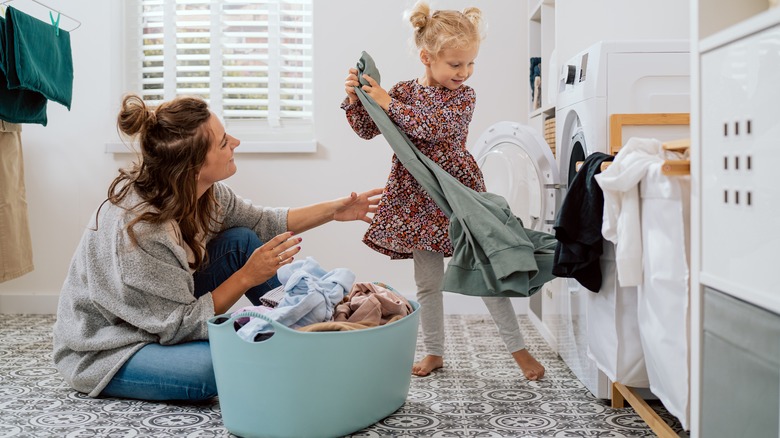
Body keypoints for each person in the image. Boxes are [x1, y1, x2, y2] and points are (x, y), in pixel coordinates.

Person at [52, 94, 383, 401]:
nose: (236, 143)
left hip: (163, 310)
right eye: (224, 142)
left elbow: (264, 222)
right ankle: (300, 344)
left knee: (242, 241)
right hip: (111, 343)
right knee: (212, 369)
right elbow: (179, 325)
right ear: (195, 168)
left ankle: (314, 331)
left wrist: (335, 211)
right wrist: (246, 277)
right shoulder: (143, 231)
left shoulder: (204, 192)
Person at [341, 1, 545, 380]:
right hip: (416, 197)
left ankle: (519, 351)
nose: (464, 72)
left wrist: (388, 102)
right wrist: (357, 99)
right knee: (427, 282)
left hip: (456, 194)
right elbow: (370, 129)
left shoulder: (462, 97)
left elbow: (433, 128)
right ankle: (434, 351)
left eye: (470, 64)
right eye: (456, 64)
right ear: (427, 57)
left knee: (488, 273)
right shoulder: (402, 91)